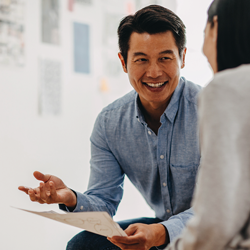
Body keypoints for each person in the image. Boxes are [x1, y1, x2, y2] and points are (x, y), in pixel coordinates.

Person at [19, 5, 202, 250]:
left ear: (183, 57)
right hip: (163, 228)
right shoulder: (109, 123)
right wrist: (71, 198)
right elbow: (104, 203)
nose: (154, 71)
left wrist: (161, 232)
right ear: (123, 62)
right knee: (83, 246)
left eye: (165, 58)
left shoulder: (212, 112)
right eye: (141, 60)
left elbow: (225, 206)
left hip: (215, 230)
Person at [163, 0, 250, 249]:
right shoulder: (111, 119)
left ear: (216, 26)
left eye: (203, 33)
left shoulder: (226, 89)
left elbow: (215, 223)